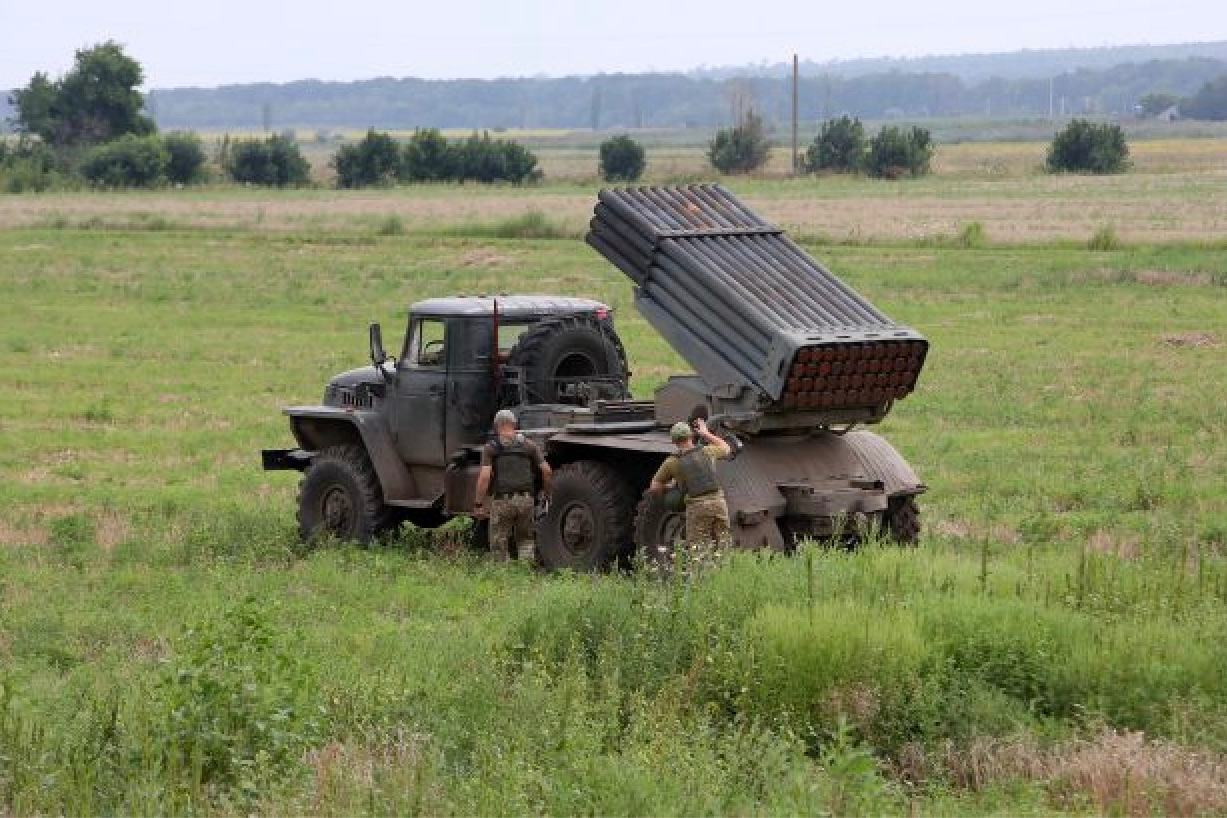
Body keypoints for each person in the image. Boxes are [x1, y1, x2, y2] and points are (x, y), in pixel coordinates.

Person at [475, 409, 552, 563]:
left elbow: (484, 477)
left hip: (502, 501)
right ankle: (525, 572)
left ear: (496, 426)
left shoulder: (491, 448)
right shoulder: (529, 445)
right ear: (515, 424)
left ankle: (503, 578)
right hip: (526, 500)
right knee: (526, 540)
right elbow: (547, 471)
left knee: (499, 541)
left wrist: (479, 503)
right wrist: (546, 494)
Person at [649, 417, 732, 548]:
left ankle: (701, 569)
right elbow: (726, 448)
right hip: (718, 503)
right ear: (691, 436)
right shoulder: (707, 451)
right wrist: (705, 433)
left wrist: (669, 489)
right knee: (723, 543)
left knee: (697, 548)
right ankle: (725, 568)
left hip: (697, 506)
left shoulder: (672, 462)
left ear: (673, 441)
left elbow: (654, 487)